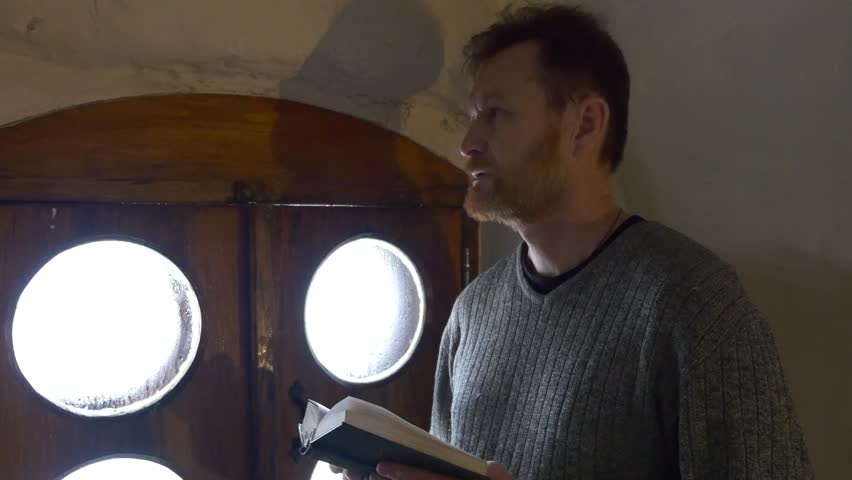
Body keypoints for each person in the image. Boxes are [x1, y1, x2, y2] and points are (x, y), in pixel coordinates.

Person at [334, 4, 813, 479]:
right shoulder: (472, 315)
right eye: (473, 116)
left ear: (584, 125)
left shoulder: (696, 305)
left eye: (495, 114)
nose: (468, 143)